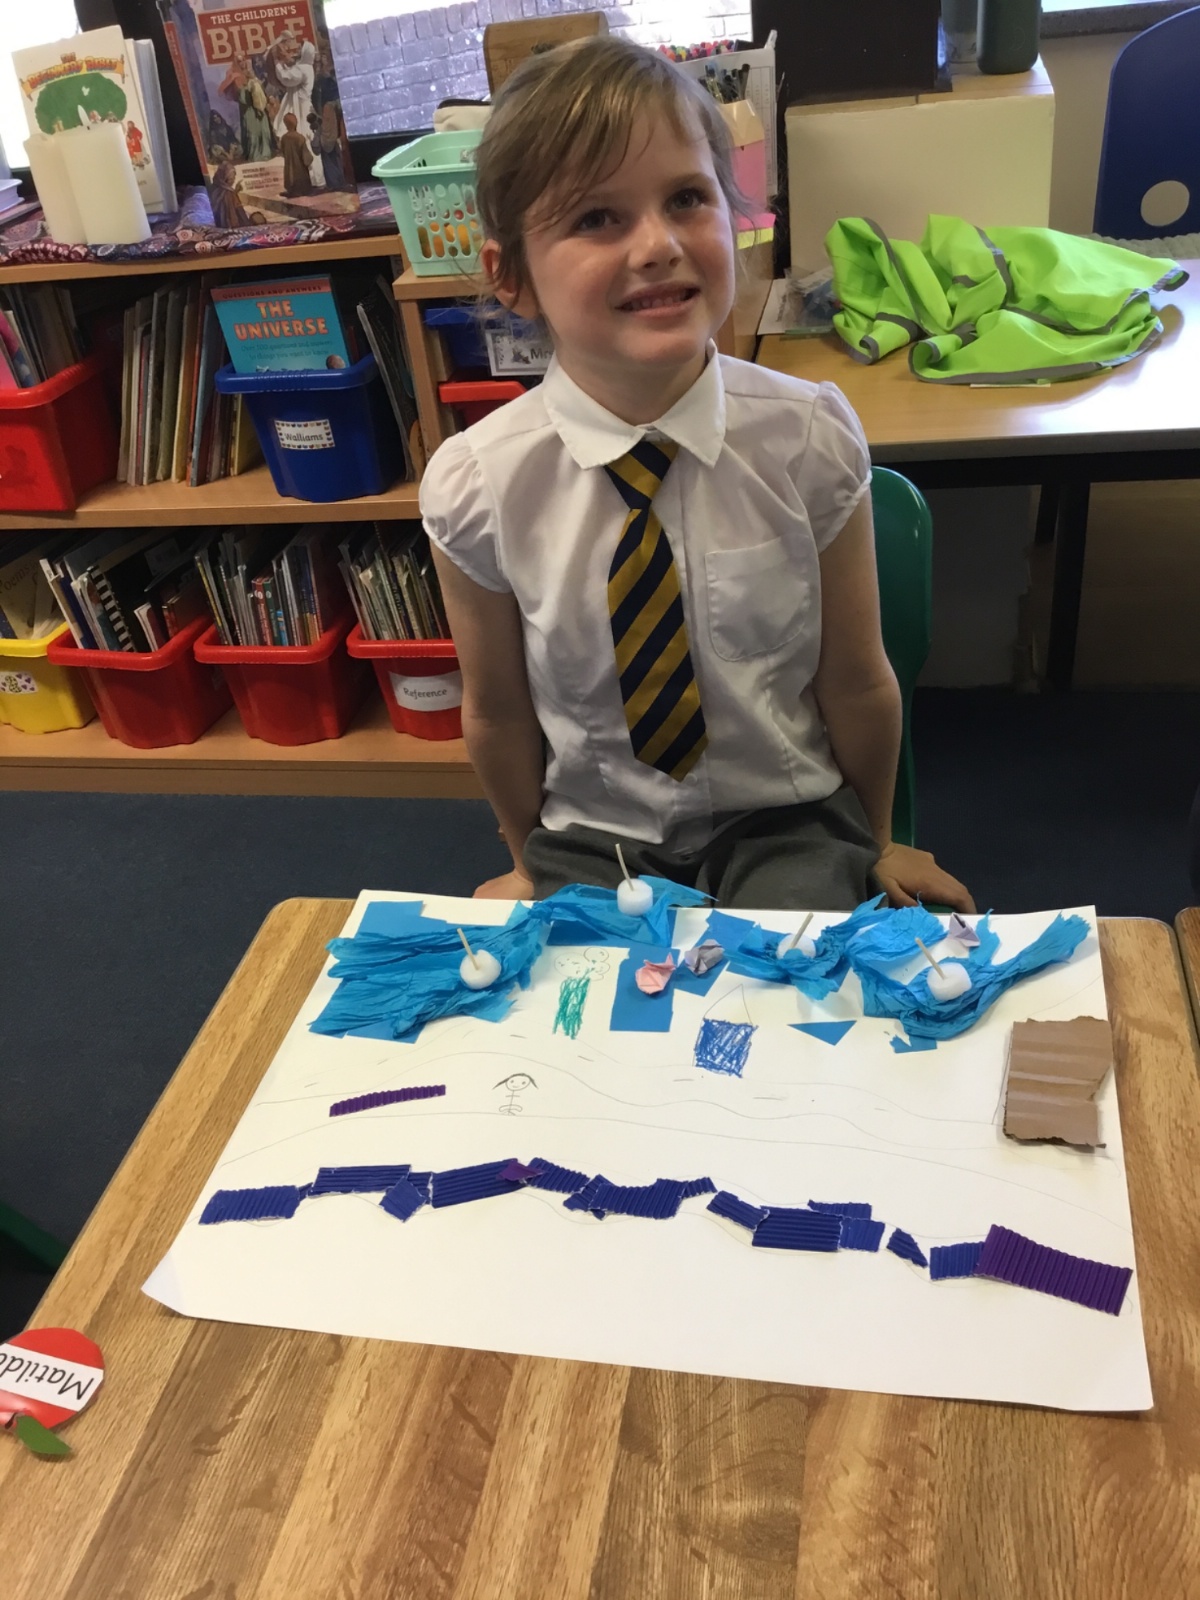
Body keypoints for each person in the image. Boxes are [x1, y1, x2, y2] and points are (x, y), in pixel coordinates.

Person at [421, 37, 973, 914]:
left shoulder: (807, 437)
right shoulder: (478, 486)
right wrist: (528, 862)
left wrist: (878, 842)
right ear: (510, 277)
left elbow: (856, 678)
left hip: (783, 819)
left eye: (686, 198)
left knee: (797, 971)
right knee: (576, 987)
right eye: (597, 218)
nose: (657, 245)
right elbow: (498, 713)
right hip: (594, 834)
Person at [279, 112, 313, 198]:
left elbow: (282, 151)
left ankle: (291, 190)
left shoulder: (284, 138)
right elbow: (307, 158)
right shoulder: (300, 138)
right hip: (300, 172)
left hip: (289, 168)